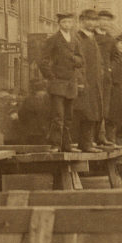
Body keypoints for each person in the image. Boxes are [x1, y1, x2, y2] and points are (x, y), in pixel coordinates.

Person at [39, 11, 84, 152]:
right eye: (64, 22)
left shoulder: (76, 40)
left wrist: (74, 60)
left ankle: (67, 145)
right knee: (58, 115)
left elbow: (81, 59)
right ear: (59, 24)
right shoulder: (53, 39)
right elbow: (43, 60)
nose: (67, 25)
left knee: (69, 117)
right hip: (57, 83)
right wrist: (51, 77)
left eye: (70, 22)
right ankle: (56, 144)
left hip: (71, 83)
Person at [73, 8, 104, 152]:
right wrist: (80, 81)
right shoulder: (78, 38)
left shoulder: (92, 39)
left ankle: (89, 142)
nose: (92, 23)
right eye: (89, 20)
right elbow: (76, 62)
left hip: (95, 83)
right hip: (84, 83)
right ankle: (84, 144)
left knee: (94, 112)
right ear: (81, 21)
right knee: (84, 113)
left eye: (95, 20)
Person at [94, 9, 119, 148]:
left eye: (108, 20)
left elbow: (116, 57)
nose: (106, 23)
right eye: (103, 20)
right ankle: (93, 138)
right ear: (98, 21)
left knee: (105, 108)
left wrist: (110, 68)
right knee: (93, 108)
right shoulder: (92, 37)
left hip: (106, 79)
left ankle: (102, 137)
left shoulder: (111, 39)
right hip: (93, 78)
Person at [15, 80, 52, 145]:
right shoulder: (47, 99)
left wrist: (24, 124)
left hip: (30, 131)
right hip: (44, 131)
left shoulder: (28, 99)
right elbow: (51, 114)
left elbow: (21, 113)